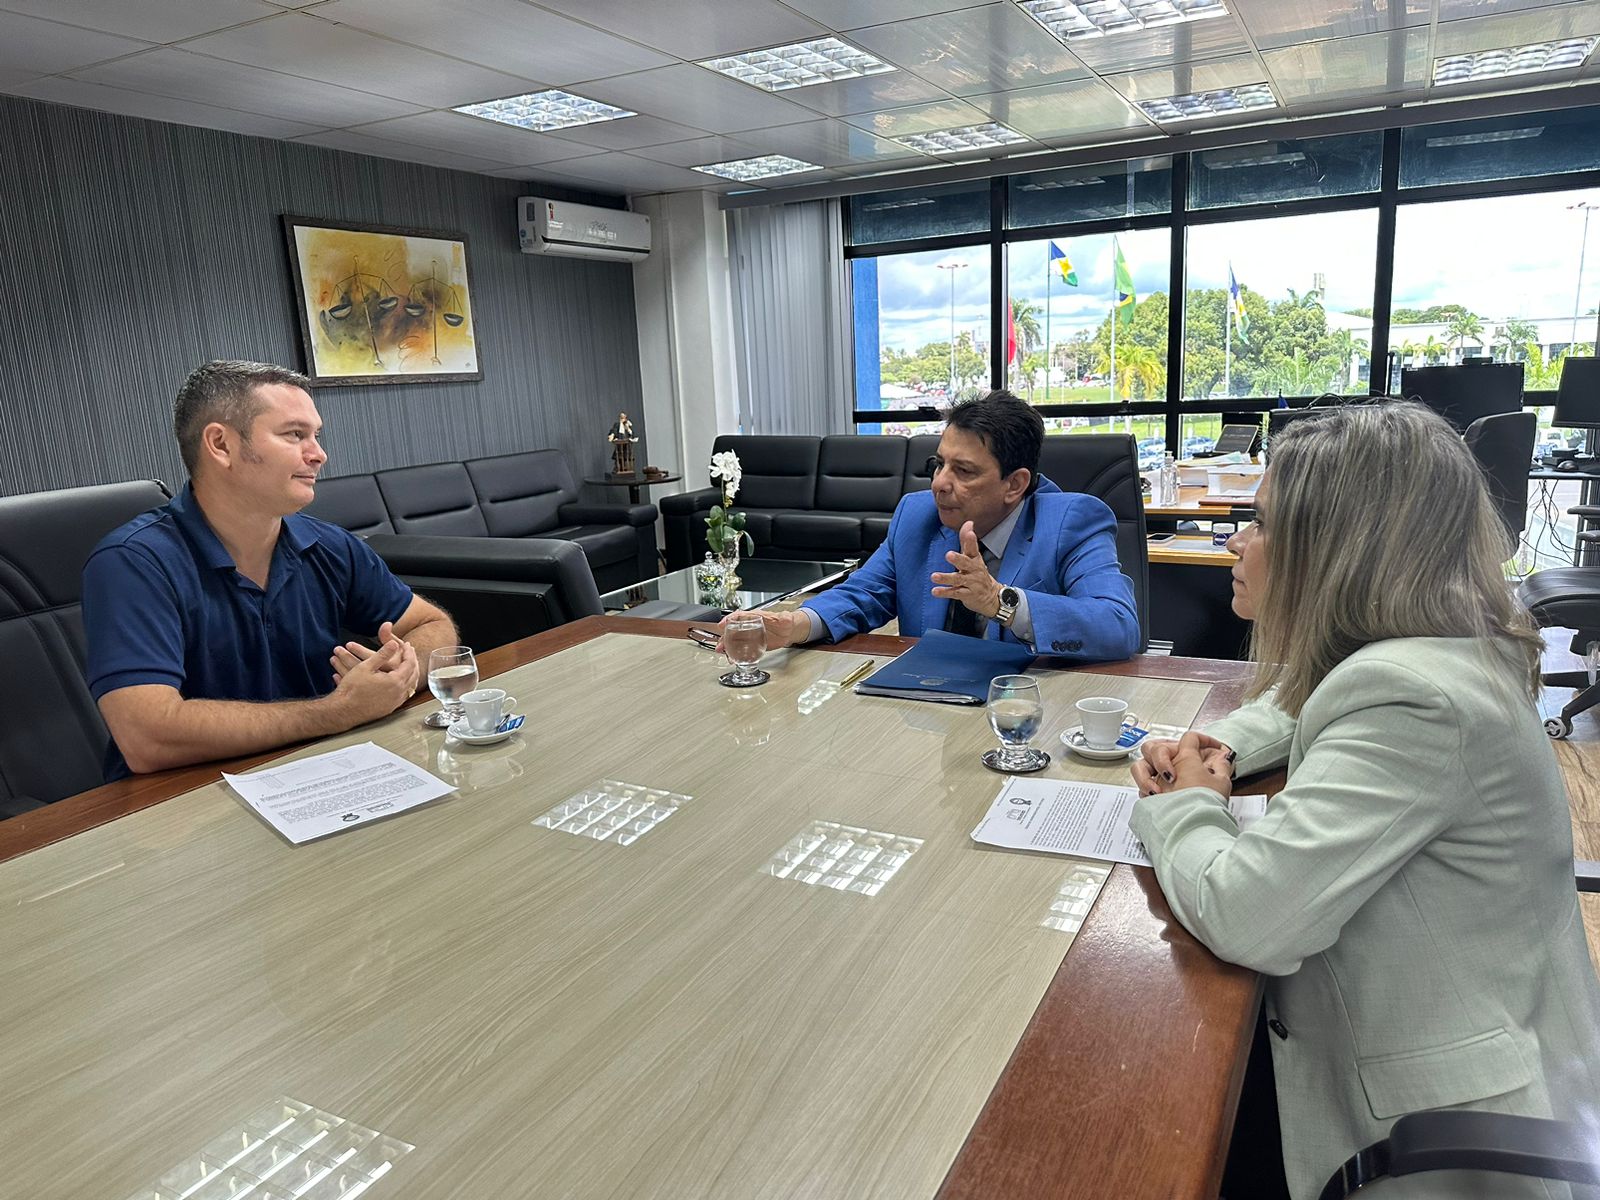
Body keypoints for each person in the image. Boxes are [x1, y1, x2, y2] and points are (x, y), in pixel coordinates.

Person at [1129, 401, 1600, 1199]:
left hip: (1423, 1133)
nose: (1236, 541)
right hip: (1482, 1035)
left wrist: (1184, 806)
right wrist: (1226, 749)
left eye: (1263, 522)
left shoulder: (1411, 698)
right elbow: (1294, 704)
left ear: (1339, 551)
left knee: (1149, 1103)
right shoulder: (1442, 646)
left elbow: (1248, 915)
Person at [83, 360, 458, 780]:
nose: (319, 454)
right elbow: (147, 736)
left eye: (316, 436)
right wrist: (339, 711)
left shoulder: (329, 544)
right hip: (181, 811)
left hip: (321, 771)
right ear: (221, 445)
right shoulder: (133, 561)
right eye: (295, 435)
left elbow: (432, 624)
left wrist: (403, 670)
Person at [727, 390, 1138, 660]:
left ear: (1015, 484)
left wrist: (1001, 602)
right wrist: (793, 624)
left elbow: (1118, 626)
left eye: (964, 471)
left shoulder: (1073, 521)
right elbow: (863, 594)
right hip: (929, 708)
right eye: (940, 463)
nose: (940, 483)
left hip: (1027, 713)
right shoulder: (917, 515)